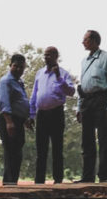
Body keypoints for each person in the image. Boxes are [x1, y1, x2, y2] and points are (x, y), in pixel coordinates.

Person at [30, 46, 75, 185]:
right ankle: (39, 181)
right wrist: (31, 114)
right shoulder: (39, 73)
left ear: (56, 56)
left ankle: (58, 180)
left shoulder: (64, 74)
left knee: (57, 148)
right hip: (41, 114)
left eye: (49, 55)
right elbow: (34, 94)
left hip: (56, 113)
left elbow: (71, 92)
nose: (46, 57)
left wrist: (58, 77)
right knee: (41, 150)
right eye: (45, 55)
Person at [75, 30, 107, 183]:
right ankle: (87, 176)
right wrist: (79, 107)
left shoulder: (106, 57)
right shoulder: (84, 61)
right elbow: (82, 85)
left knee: (104, 139)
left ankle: (103, 176)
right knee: (87, 140)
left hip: (101, 99)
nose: (82, 42)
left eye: (84, 39)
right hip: (86, 101)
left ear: (93, 40)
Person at [0, 53, 33, 185]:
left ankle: (13, 183)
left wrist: (26, 119)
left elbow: (20, 102)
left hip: (19, 121)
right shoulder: (6, 81)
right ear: (10, 66)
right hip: (9, 121)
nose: (18, 69)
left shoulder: (19, 82)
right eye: (15, 66)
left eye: (21, 67)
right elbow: (4, 102)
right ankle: (8, 184)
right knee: (10, 153)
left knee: (17, 153)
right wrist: (9, 122)